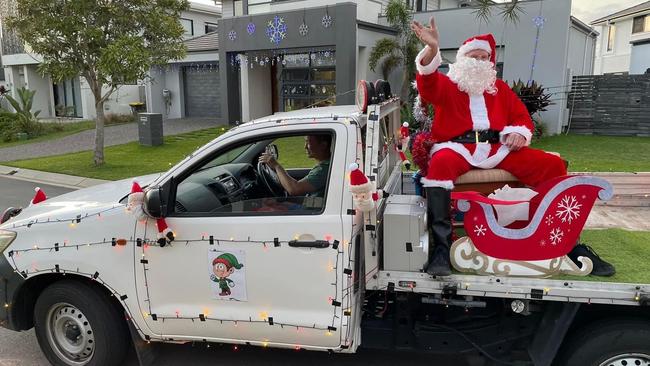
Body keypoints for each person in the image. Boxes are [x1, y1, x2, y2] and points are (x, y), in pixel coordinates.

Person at [410, 17, 615, 277]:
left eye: (485, 57)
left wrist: (517, 133)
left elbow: (520, 117)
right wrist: (431, 50)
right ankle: (442, 247)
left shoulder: (500, 89)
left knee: (550, 164)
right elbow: (427, 85)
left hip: (498, 149)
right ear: (462, 60)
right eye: (474, 56)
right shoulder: (448, 85)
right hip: (456, 148)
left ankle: (564, 241)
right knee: (439, 166)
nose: (480, 62)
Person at [258, 134, 332, 198]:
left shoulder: (323, 170)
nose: (305, 147)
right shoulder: (326, 166)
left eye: (308, 142)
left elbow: (294, 189)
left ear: (323, 145)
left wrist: (276, 166)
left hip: (312, 210)